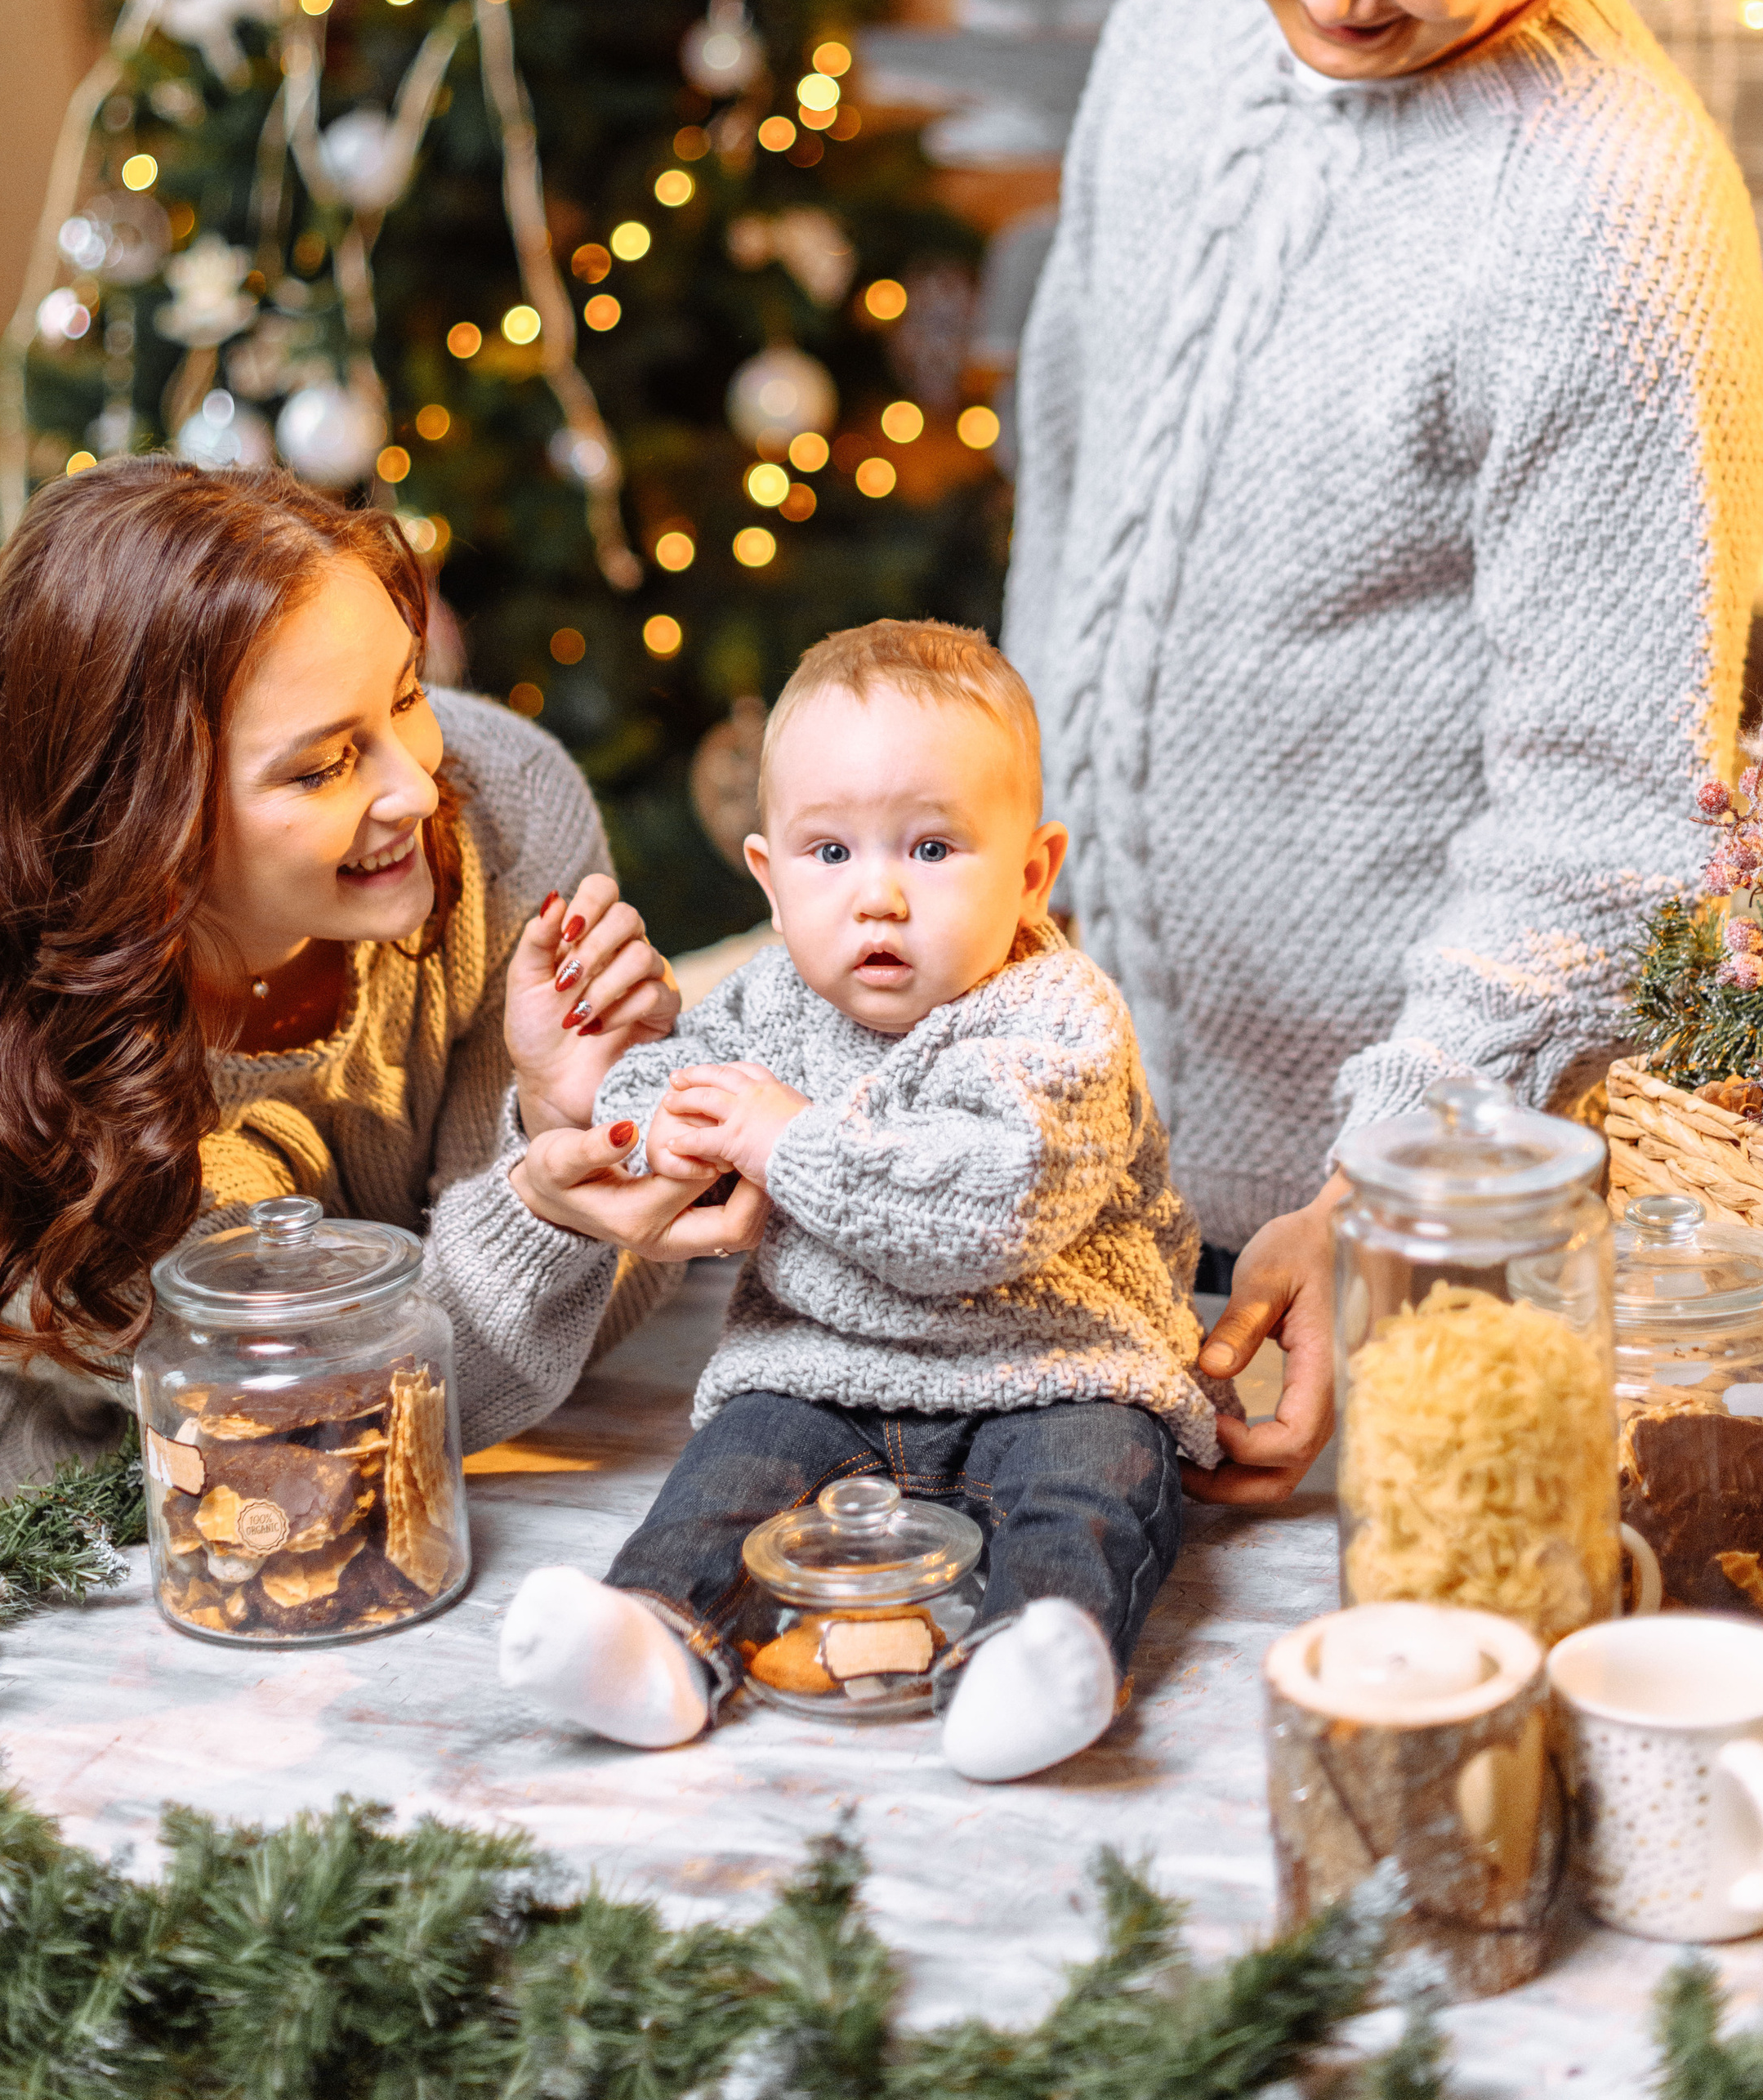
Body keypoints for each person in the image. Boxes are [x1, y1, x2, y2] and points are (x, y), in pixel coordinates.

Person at [1002, 0, 1763, 1512]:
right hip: (1052, 1151)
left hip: (1377, 1229)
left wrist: (1388, 1185)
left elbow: (1612, 819)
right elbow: (1069, 485)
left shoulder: (1608, 215)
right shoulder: (1168, 27)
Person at [0, 460, 757, 1582]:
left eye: (406, 695)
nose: (417, 786)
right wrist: (542, 1210)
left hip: (267, 1504)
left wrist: (565, 1130)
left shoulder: (501, 808)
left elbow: (566, 1324)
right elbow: (336, 1420)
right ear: (142, 818)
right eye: (323, 767)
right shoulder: (15, 1067)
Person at [498, 619, 1224, 1785]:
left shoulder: (1059, 1019)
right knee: (729, 1475)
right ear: (769, 875)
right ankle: (655, 1638)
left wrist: (782, 1138)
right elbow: (665, 1085)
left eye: (932, 848)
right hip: (819, 1372)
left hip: (1055, 1365)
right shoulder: (771, 999)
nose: (877, 897)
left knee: (1098, 1483)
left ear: (1031, 872)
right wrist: (641, 1123)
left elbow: (983, 1215)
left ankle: (1034, 1660)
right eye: (829, 853)